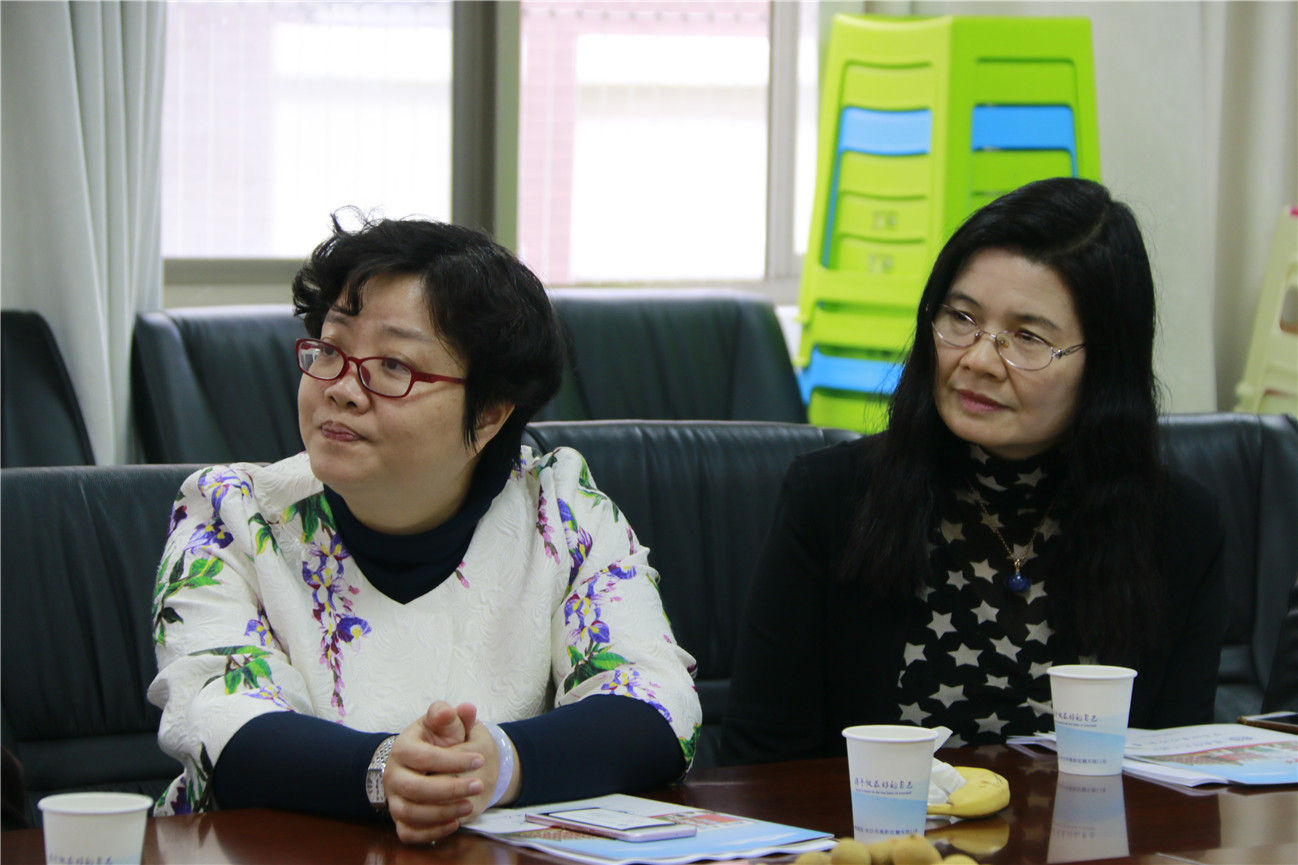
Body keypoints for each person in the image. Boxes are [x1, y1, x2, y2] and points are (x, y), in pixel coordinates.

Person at [148, 212, 701, 842]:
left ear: (488, 413)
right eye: (330, 350)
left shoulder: (563, 512)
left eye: (392, 366)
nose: (342, 390)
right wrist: (385, 771)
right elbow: (219, 724)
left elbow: (658, 705)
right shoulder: (230, 516)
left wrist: (497, 763)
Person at [721, 178, 1226, 765]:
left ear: (1106, 365)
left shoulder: (1180, 529)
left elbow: (1176, 772)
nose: (980, 360)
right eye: (962, 317)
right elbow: (761, 767)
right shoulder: (833, 501)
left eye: (1028, 337)